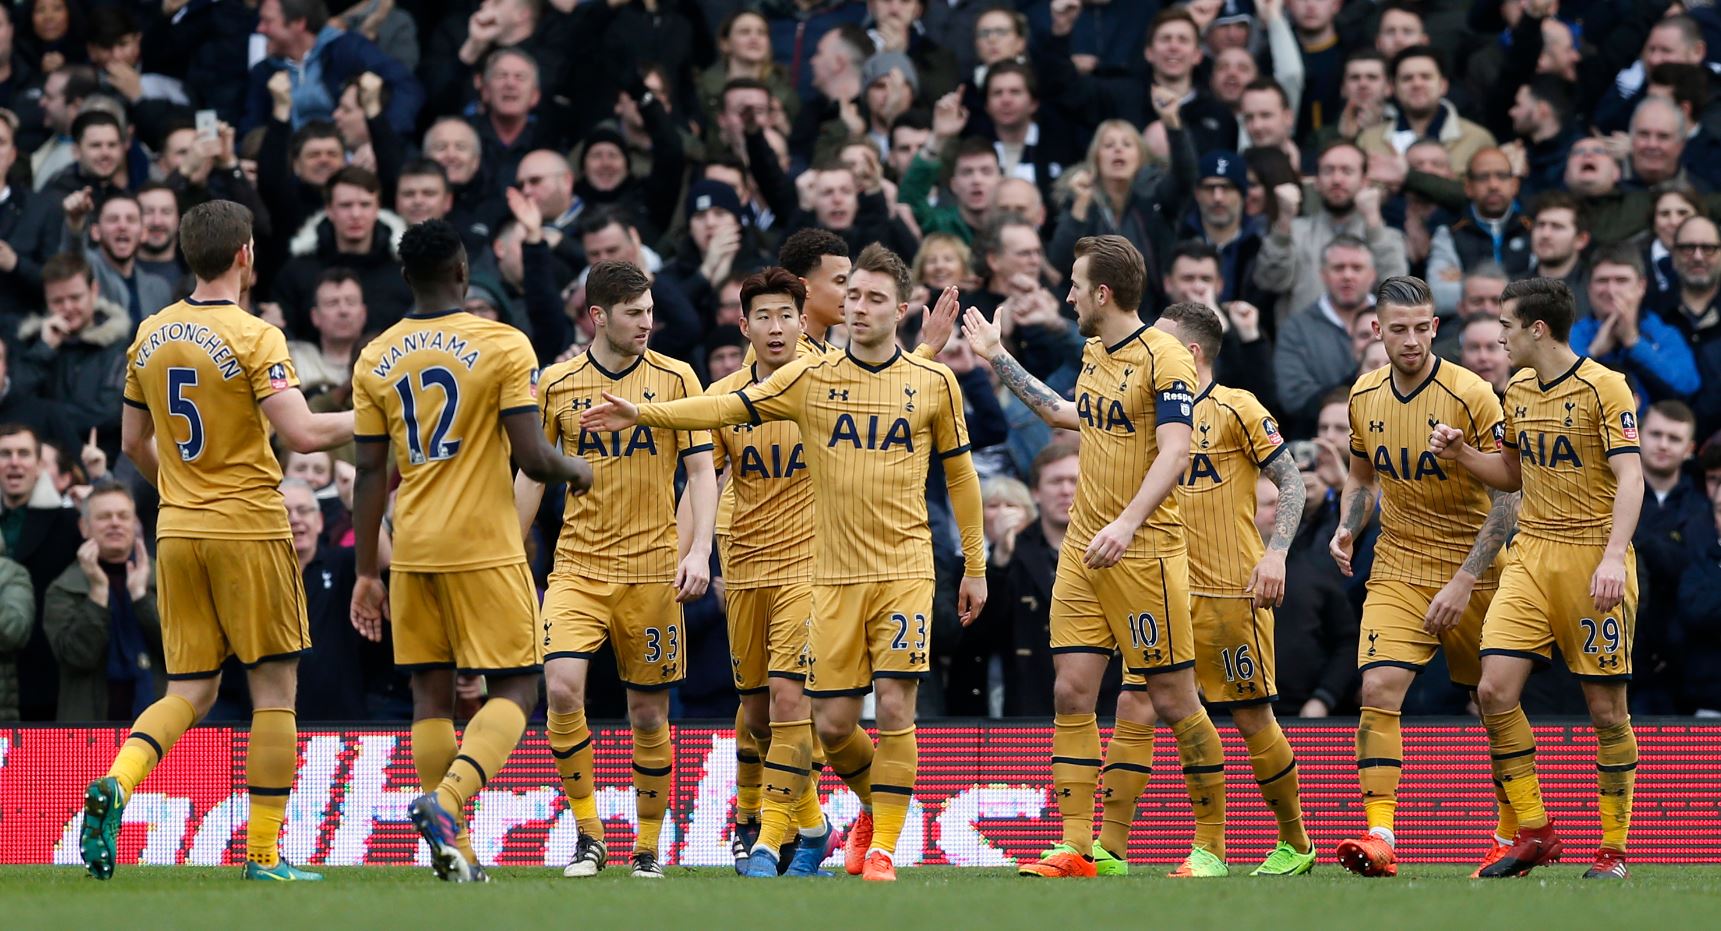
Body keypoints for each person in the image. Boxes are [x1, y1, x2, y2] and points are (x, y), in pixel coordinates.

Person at [582, 243, 987, 883]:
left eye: (870, 297)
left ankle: (821, 843)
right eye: (849, 294)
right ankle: (835, 822)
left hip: (860, 566)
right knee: (791, 718)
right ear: (745, 324)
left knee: (862, 701)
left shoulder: (909, 379)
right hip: (757, 570)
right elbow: (709, 442)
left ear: (804, 319)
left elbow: (927, 428)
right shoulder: (796, 383)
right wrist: (647, 418)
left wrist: (976, 562)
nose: (854, 307)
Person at [78, 199, 354, 882]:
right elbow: (303, 434)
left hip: (177, 528)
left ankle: (116, 779)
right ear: (245, 255)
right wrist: (382, 412)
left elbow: (131, 444)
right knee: (273, 691)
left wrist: (179, 486)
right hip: (249, 527)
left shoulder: (148, 333)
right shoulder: (256, 335)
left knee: (191, 688)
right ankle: (263, 855)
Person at [962, 235, 1224, 880]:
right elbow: (1060, 415)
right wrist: (996, 358)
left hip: (1144, 550)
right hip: (1084, 549)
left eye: (1075, 285)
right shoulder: (1092, 354)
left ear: (1102, 293)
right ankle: (1080, 847)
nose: (1068, 295)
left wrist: (1129, 522)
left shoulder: (1166, 358)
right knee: (1072, 692)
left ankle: (1212, 846)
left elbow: (1175, 450)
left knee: (1173, 698)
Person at [348, 218, 591, 883]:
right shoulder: (502, 344)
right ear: (463, 273)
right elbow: (534, 459)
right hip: (483, 544)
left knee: (429, 694)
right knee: (518, 681)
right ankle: (447, 802)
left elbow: (369, 473)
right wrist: (580, 470)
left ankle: (454, 851)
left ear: (406, 279)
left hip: (413, 542)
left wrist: (368, 568)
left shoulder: (375, 354)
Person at [1085, 300, 1312, 877]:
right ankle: (1111, 848)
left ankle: (1294, 842)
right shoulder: (1143, 411)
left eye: (1156, 341)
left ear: (1189, 353)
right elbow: (1066, 412)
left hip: (1230, 590)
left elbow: (1293, 483)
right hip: (1160, 585)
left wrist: (1277, 553)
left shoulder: (1237, 407)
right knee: (1134, 703)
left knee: (1250, 716)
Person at [1429, 277, 1644, 880]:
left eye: (1505, 327)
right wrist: (1461, 454)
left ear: (1536, 329)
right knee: (1493, 692)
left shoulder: (1607, 388)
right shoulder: (1517, 390)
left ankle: (1614, 851)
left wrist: (1612, 556)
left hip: (1592, 557)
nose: (1498, 338)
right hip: (1531, 554)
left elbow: (1632, 478)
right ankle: (1535, 828)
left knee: (1605, 712)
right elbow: (1510, 474)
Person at [518, 260, 717, 880]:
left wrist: (698, 550)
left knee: (649, 714)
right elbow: (532, 472)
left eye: (650, 311)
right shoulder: (557, 384)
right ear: (598, 316)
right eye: (634, 313)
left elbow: (702, 471)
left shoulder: (678, 378)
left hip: (653, 569)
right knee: (560, 688)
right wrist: (506, 551)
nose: (647, 323)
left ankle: (649, 847)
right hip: (577, 567)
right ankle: (588, 836)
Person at [1329, 276, 1521, 879]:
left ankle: (1513, 833)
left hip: (1478, 570)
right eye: (1399, 329)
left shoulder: (1473, 395)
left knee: (1493, 699)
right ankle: (1380, 833)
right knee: (1378, 689)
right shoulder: (1363, 397)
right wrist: (1347, 528)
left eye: (1422, 328)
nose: (1411, 341)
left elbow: (1509, 498)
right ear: (1376, 329)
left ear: (1436, 327)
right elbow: (1361, 479)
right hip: (1399, 566)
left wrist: (1465, 580)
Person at [713, 268, 838, 877]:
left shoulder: (827, 384)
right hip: (744, 569)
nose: (776, 327)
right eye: (763, 316)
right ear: (745, 326)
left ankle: (768, 838)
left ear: (802, 320)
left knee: (791, 700)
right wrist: (694, 553)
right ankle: (814, 827)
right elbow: (703, 479)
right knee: (759, 716)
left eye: (786, 315)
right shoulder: (727, 397)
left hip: (809, 566)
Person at [42, 478, 159, 722]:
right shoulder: (63, 588)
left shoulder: (165, 580)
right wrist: (97, 593)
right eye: (104, 516)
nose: (115, 523)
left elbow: (182, 649)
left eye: (123, 516)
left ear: (135, 523)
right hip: (90, 731)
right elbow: (76, 658)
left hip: (160, 729)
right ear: (84, 527)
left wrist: (141, 598)